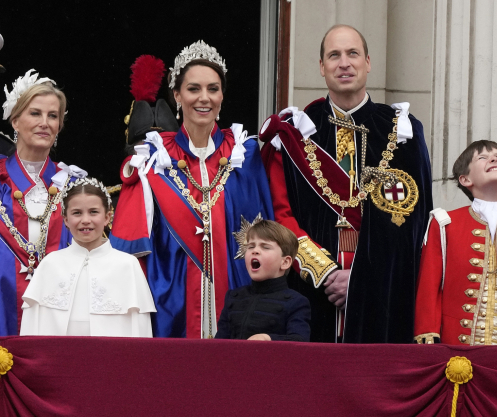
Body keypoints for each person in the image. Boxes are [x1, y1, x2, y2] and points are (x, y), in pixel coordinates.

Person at [259, 25, 433, 343]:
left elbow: (412, 222)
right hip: (310, 293)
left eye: (352, 53)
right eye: (334, 55)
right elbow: (279, 218)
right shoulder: (294, 133)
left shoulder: (403, 131)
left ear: (367, 62)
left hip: (382, 293)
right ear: (322, 67)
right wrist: (324, 273)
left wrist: (360, 279)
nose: (344, 63)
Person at [111, 41, 273, 339]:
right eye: (193, 89)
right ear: (177, 95)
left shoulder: (244, 154)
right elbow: (128, 253)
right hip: (170, 304)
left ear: (222, 96)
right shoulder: (153, 158)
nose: (204, 98)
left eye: (213, 89)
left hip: (237, 298)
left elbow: (264, 236)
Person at [414, 140, 497, 345]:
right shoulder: (444, 224)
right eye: (482, 158)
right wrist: (427, 334)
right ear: (465, 179)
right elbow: (429, 287)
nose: (494, 158)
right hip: (455, 350)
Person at [0, 69, 86, 335]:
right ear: (15, 121)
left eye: (53, 116)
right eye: (35, 113)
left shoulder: (74, 186)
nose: (44, 123)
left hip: (62, 312)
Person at [20, 178, 155, 336]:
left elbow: (140, 329)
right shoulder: (50, 264)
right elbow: (31, 328)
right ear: (66, 220)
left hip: (111, 358)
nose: (85, 220)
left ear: (107, 217)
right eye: (77, 213)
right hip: (57, 358)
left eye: (93, 212)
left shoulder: (128, 265)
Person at [215, 220, 310, 341]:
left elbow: (300, 341)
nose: (255, 251)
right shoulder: (233, 297)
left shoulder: (296, 302)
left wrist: (268, 339)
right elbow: (219, 343)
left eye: (265, 247)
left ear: (285, 262)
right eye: (250, 246)